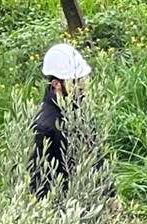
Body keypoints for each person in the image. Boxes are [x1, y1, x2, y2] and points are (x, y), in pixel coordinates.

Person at [30, 43, 113, 201]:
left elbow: (96, 157)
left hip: (90, 203)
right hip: (65, 209)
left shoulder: (81, 110)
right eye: (76, 81)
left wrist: (110, 195)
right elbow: (39, 181)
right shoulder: (44, 126)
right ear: (56, 84)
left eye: (82, 79)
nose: (82, 85)